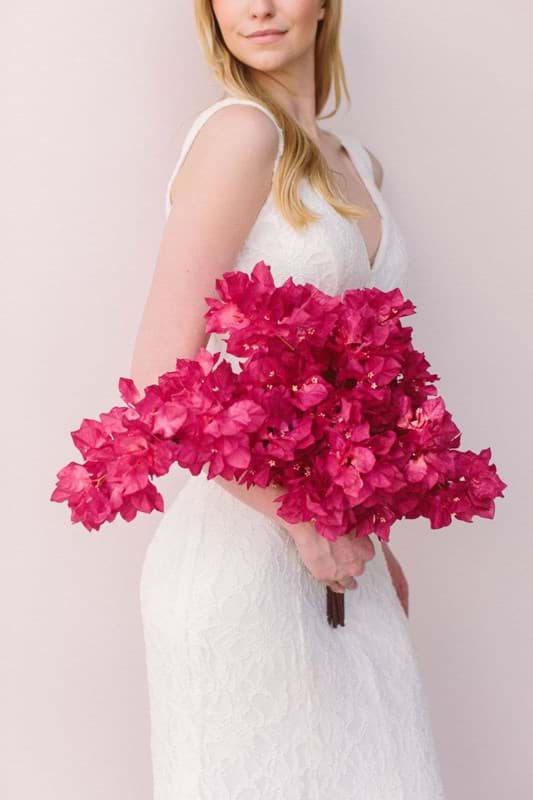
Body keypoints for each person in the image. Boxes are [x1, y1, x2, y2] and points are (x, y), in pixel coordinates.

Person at [133, 1, 446, 797]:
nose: (259, 7)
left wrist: (364, 527)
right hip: (242, 557)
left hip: (338, 551)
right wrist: (304, 518)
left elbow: (349, 380)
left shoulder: (357, 163)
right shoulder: (241, 133)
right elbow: (161, 381)